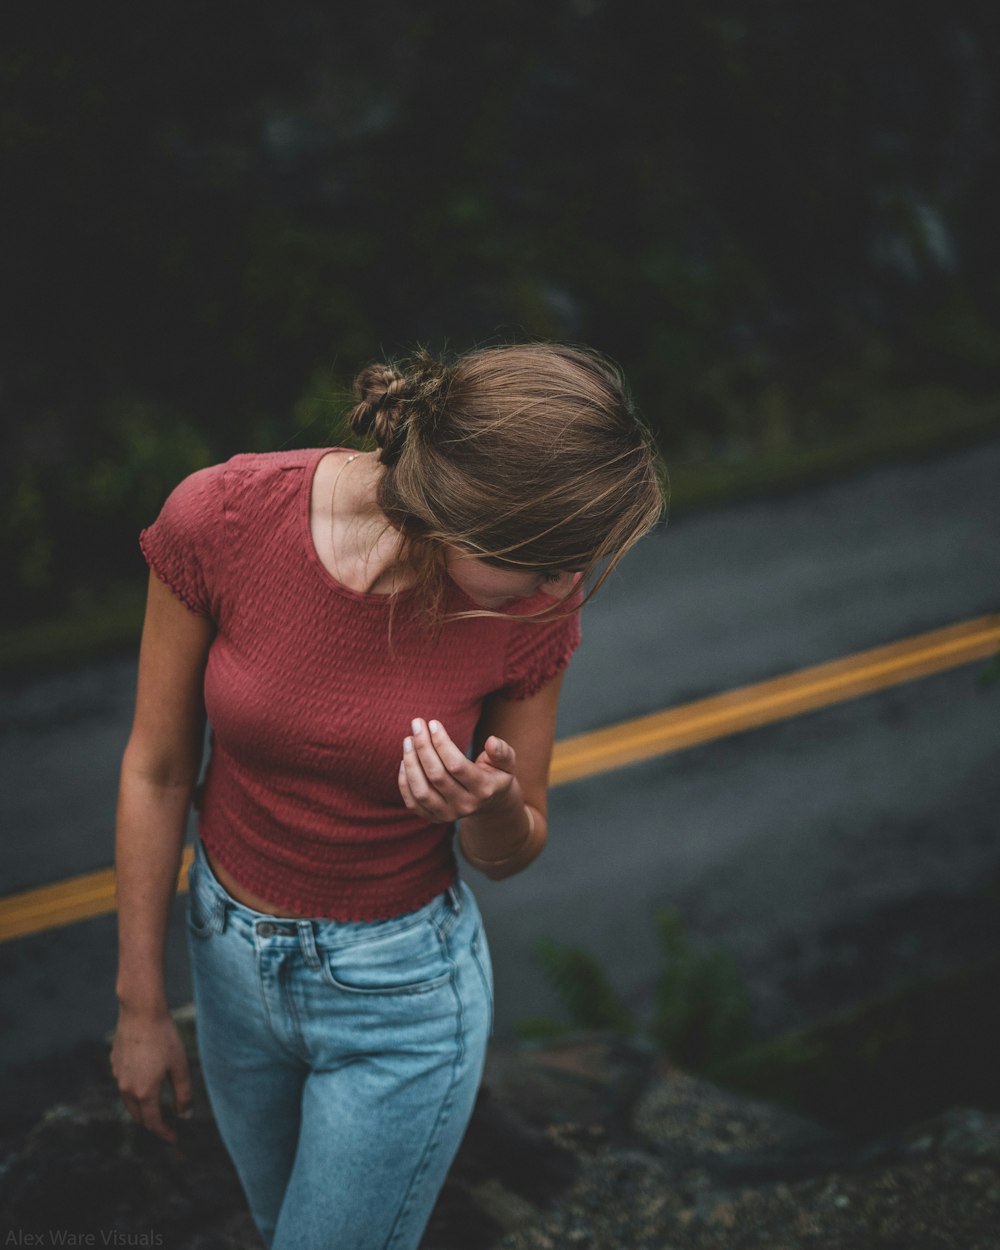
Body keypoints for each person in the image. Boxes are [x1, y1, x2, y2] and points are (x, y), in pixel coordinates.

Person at [110, 342, 664, 1249]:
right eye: (553, 561)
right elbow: (157, 768)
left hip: (401, 995)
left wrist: (483, 805)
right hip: (227, 964)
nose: (567, 588)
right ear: (462, 516)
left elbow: (515, 849)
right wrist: (140, 1005)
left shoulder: (531, 610)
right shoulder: (222, 515)